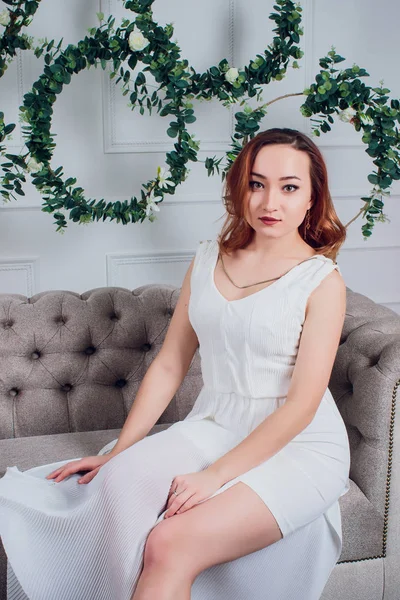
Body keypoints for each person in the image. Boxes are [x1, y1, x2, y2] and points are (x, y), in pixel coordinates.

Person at [0, 127, 351, 600]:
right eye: (256, 183)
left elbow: (302, 406)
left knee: (169, 542)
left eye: (290, 187)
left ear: (312, 197)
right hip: (214, 421)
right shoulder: (209, 260)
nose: (271, 201)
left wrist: (214, 476)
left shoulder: (321, 282)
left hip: (301, 445)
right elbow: (170, 363)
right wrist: (121, 448)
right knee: (114, 486)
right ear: (240, 189)